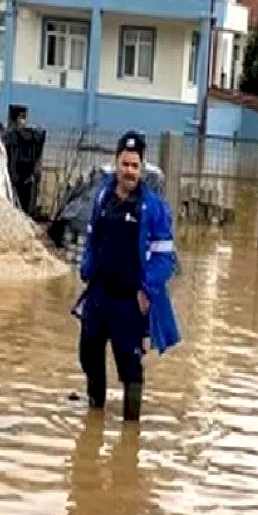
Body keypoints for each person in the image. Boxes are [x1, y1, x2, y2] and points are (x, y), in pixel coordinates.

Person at [73, 131, 181, 422]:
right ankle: (95, 411)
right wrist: (87, 269)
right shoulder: (102, 196)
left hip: (130, 300)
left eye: (135, 166)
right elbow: (92, 238)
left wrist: (147, 290)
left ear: (142, 167)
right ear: (116, 163)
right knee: (88, 353)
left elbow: (165, 257)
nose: (129, 171)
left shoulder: (153, 207)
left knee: (129, 363)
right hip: (99, 293)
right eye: (125, 164)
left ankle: (131, 429)